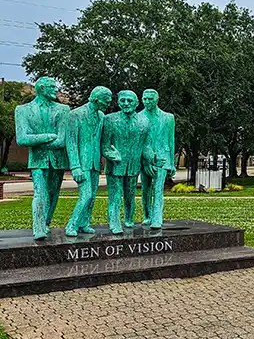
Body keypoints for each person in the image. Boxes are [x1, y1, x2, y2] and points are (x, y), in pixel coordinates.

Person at [14, 77, 70, 240]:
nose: (56, 90)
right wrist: (47, 136)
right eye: (52, 87)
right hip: (38, 159)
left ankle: (45, 223)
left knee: (53, 195)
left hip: (58, 159)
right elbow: (22, 139)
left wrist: (37, 140)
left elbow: (61, 140)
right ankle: (38, 227)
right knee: (40, 192)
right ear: (42, 89)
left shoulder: (63, 109)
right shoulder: (23, 110)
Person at [64, 86, 119, 237]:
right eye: (106, 100)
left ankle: (84, 223)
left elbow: (102, 141)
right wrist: (75, 166)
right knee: (86, 194)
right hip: (81, 164)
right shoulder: (75, 115)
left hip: (95, 163)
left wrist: (111, 152)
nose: (108, 103)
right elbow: (71, 143)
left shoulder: (101, 116)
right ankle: (72, 224)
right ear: (95, 99)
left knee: (92, 195)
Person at [102, 90, 150, 234]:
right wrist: (112, 155)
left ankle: (129, 220)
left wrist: (151, 158)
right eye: (123, 100)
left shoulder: (144, 121)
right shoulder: (109, 120)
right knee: (115, 195)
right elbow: (104, 145)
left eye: (130, 101)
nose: (126, 103)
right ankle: (114, 222)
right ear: (118, 102)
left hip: (134, 166)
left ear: (136, 103)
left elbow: (145, 145)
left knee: (130, 195)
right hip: (115, 165)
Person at [139, 89, 175, 230]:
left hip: (163, 158)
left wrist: (171, 163)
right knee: (145, 189)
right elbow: (139, 142)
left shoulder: (168, 118)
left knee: (158, 189)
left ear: (157, 99)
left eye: (150, 99)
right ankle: (147, 216)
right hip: (145, 159)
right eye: (145, 98)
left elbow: (171, 141)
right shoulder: (138, 117)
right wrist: (145, 160)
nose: (147, 101)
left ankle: (157, 218)